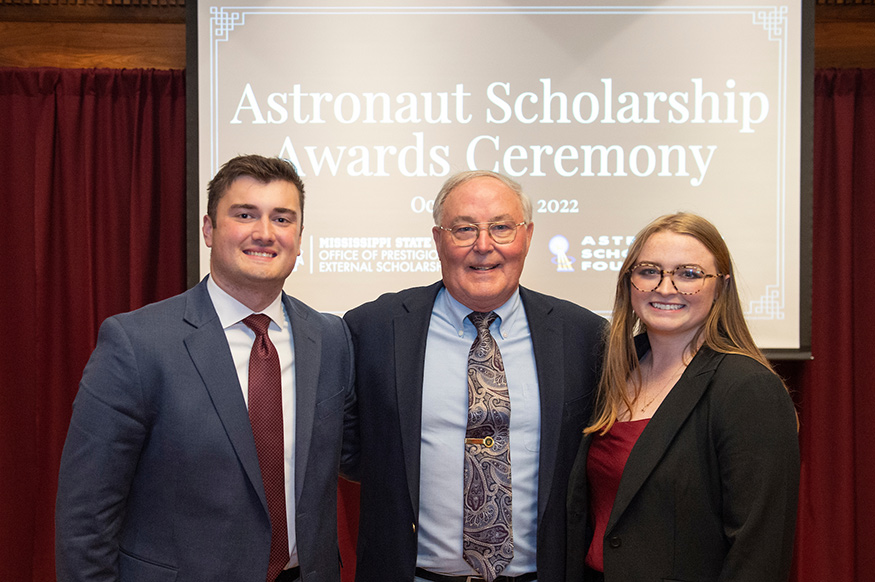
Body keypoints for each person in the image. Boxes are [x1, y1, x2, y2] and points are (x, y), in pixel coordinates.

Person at [55, 155, 356, 582]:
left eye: (282, 218)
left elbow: (355, 455)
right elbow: (86, 514)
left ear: (300, 237)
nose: (264, 233)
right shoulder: (137, 343)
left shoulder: (330, 338)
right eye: (245, 214)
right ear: (209, 230)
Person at [344, 170, 606, 582]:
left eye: (502, 228)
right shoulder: (373, 329)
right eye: (464, 229)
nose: (483, 246)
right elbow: (350, 450)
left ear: (528, 236)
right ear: (437, 240)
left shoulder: (583, 336)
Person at [566, 212, 800, 582]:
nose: (665, 287)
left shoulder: (746, 389)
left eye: (688, 274)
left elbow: (759, 553)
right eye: (648, 271)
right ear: (629, 282)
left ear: (720, 287)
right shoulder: (614, 370)